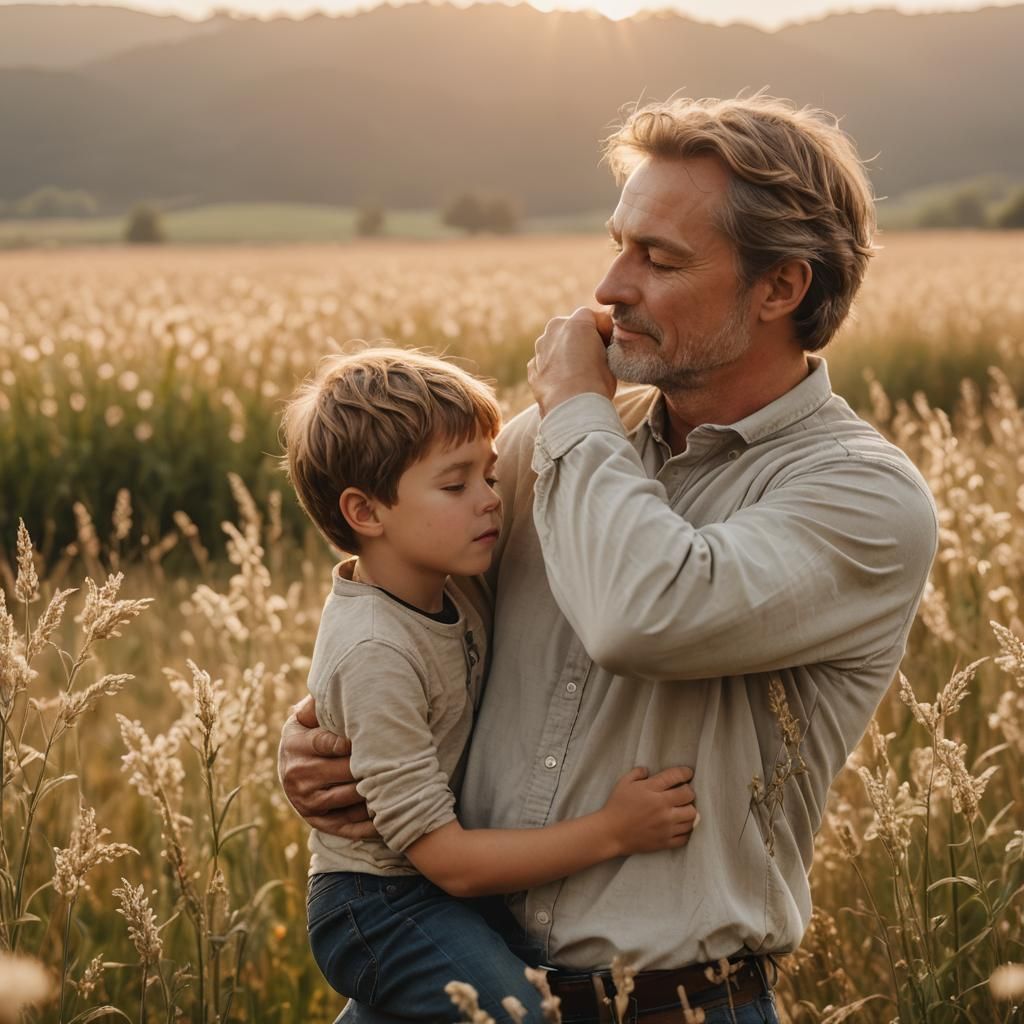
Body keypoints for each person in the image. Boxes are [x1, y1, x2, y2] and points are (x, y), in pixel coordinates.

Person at [280, 94, 938, 1024]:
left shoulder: (862, 499)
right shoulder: (544, 444)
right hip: (446, 977)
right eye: (618, 243)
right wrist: (321, 744)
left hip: (673, 1006)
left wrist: (576, 411)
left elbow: (644, 615)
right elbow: (404, 608)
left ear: (780, 288)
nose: (610, 287)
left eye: (658, 259)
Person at [279, 348, 699, 1024]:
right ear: (364, 510)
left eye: (490, 474)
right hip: (376, 904)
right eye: (456, 485)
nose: (491, 500)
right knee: (519, 1014)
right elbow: (451, 862)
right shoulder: (377, 650)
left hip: (429, 896)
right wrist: (614, 831)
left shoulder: (448, 589)